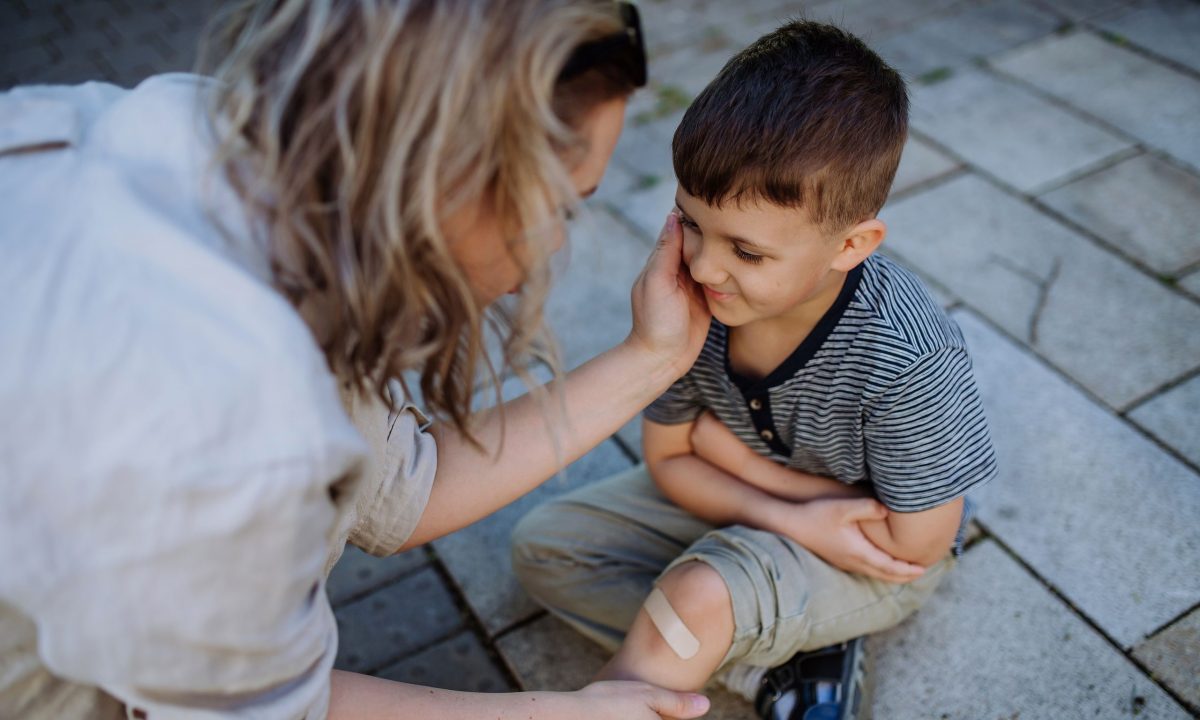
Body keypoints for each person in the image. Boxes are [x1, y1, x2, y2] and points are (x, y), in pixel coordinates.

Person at [0, 1, 715, 718]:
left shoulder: (210, 134)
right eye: (559, 207)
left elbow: (402, 492)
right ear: (450, 175)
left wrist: (653, 357)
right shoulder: (234, 417)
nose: (555, 245)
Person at [512, 20, 999, 720]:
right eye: (690, 222)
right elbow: (669, 461)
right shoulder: (692, 298)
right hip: (773, 511)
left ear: (851, 245)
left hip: (867, 554)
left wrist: (726, 455)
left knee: (694, 597)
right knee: (545, 549)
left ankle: (716, 625)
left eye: (746, 251)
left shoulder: (908, 357)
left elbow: (914, 543)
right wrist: (782, 511)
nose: (706, 266)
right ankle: (784, 667)